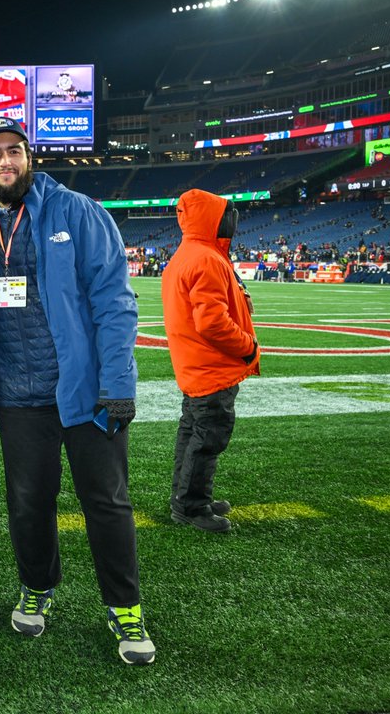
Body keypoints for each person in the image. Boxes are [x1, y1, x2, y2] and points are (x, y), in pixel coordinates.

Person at [0, 117, 155, 666]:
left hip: (83, 390)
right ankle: (37, 586)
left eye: (14, 151)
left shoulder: (78, 211)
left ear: (30, 157)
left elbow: (114, 300)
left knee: (106, 501)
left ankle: (125, 606)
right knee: (27, 504)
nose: (4, 161)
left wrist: (117, 384)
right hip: (16, 393)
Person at [162, 189, 260, 533]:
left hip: (195, 365)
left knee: (192, 434)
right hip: (211, 367)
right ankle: (192, 506)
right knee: (207, 439)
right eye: (226, 215)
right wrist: (248, 347)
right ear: (213, 219)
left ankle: (185, 497)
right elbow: (212, 323)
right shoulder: (206, 258)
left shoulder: (188, 254)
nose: (232, 221)